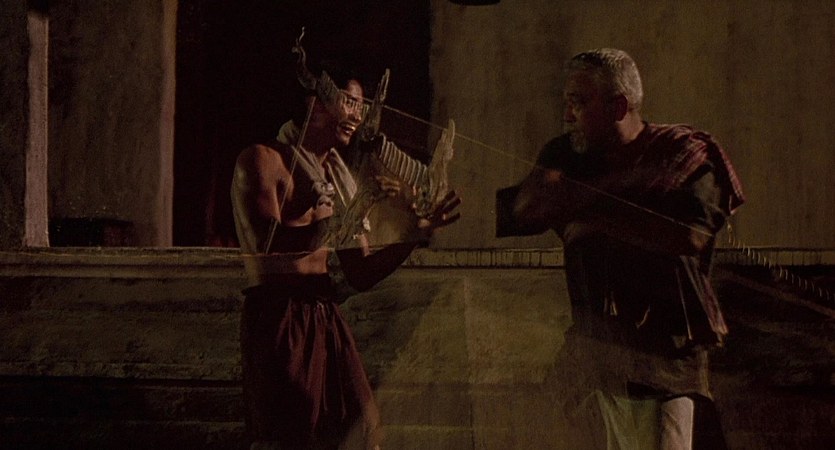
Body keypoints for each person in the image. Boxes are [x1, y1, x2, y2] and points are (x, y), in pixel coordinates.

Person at [500, 48, 744, 449]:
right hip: (599, 353)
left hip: (667, 358)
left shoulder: (681, 152)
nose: (568, 116)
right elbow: (526, 209)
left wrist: (594, 217)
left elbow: (690, 234)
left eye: (579, 103)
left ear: (617, 106)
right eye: (567, 103)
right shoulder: (567, 154)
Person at [231, 56, 461, 450]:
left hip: (325, 317)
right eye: (349, 103)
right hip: (279, 319)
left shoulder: (339, 176)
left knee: (365, 433)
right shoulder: (262, 160)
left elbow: (358, 271)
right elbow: (268, 249)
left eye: (362, 106)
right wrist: (346, 214)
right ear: (315, 102)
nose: (358, 115)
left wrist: (416, 233)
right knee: (290, 439)